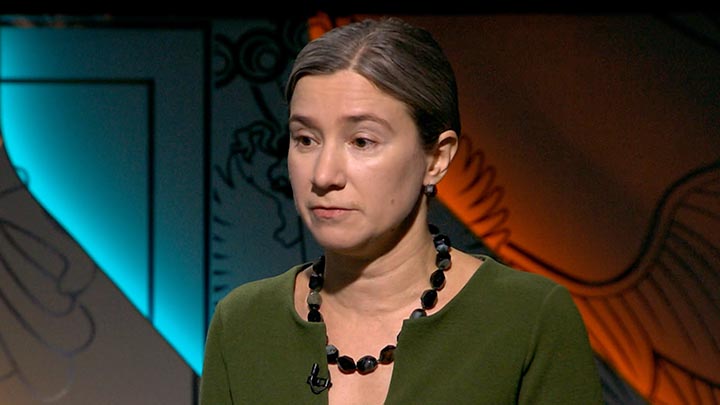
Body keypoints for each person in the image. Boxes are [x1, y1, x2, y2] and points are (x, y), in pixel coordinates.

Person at [199, 16, 604, 404]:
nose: (323, 175)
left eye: (362, 141)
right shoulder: (243, 323)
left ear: (437, 158)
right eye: (306, 139)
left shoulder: (528, 318)